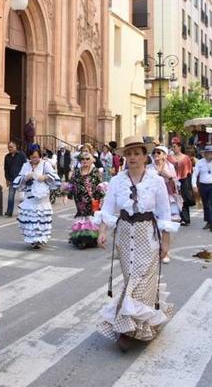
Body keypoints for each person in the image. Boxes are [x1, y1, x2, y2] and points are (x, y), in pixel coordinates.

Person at [96, 135, 178, 351]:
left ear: (145, 156)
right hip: (124, 235)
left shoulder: (156, 181)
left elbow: (164, 213)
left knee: (141, 283)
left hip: (147, 235)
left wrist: (166, 243)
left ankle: (126, 330)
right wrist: (103, 231)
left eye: (136, 153)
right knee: (131, 279)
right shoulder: (116, 181)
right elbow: (108, 208)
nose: (132, 157)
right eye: (128, 154)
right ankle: (134, 325)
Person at [12, 144, 59, 249]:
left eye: (37, 157)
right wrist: (25, 177)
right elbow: (18, 180)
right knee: (31, 220)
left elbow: (55, 177)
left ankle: (39, 240)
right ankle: (33, 239)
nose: (34, 159)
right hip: (30, 197)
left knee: (40, 219)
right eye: (32, 157)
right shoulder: (26, 166)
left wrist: (45, 177)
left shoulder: (45, 164)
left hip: (42, 198)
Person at [147, 145, 179, 263]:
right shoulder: (149, 168)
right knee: (152, 225)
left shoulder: (170, 167)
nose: (156, 154)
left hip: (167, 198)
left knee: (166, 226)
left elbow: (175, 184)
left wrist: (166, 175)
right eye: (155, 152)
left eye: (159, 152)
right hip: (152, 199)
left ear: (165, 155)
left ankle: (166, 251)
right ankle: (155, 250)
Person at [191, 145, 212, 232]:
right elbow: (195, 175)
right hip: (203, 185)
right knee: (206, 205)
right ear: (205, 154)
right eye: (210, 153)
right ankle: (208, 222)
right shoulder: (200, 163)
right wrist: (194, 185)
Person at [69, 150, 104, 234]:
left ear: (91, 160)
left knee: (91, 218)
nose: (85, 161)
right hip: (79, 200)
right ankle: (83, 237)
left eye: (87, 159)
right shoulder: (76, 171)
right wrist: (67, 196)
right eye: (82, 159)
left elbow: (100, 185)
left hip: (93, 200)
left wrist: (102, 198)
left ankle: (92, 237)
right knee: (82, 218)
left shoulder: (95, 171)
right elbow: (71, 184)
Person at [169, 139, 194, 226]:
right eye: (172, 147)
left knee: (183, 199)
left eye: (175, 146)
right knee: (174, 198)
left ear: (179, 147)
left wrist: (190, 183)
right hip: (172, 179)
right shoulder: (169, 158)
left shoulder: (185, 158)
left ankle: (185, 218)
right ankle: (176, 216)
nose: (173, 148)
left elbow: (189, 170)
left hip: (183, 180)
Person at [4, 142, 27, 217]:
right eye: (8, 147)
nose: (9, 149)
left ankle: (24, 211)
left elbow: (26, 165)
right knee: (10, 196)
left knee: (22, 197)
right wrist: (7, 179)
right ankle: (9, 212)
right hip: (11, 179)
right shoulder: (7, 156)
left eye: (11, 147)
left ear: (15, 147)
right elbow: (6, 169)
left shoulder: (21, 155)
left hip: (20, 179)